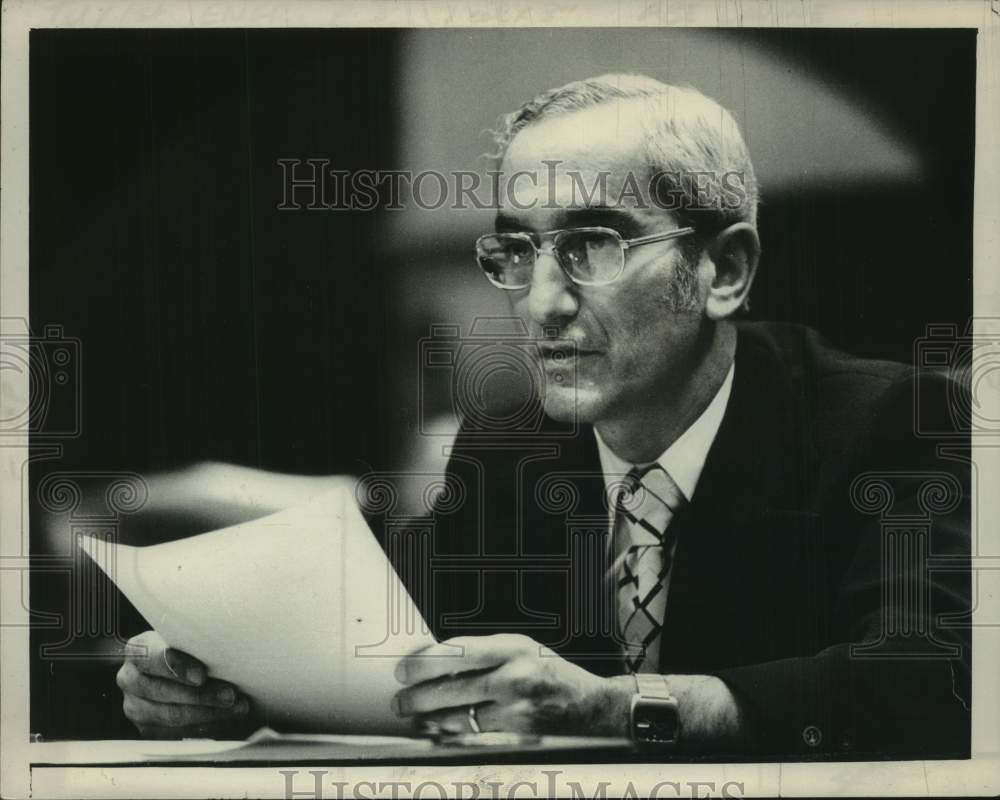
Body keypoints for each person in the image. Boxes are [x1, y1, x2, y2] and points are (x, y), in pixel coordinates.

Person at [116, 74, 970, 758]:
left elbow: (933, 683)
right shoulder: (509, 445)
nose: (542, 303)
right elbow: (392, 649)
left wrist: (611, 709)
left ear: (724, 271)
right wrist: (219, 687)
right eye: (518, 251)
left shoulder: (891, 419)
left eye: (591, 245)